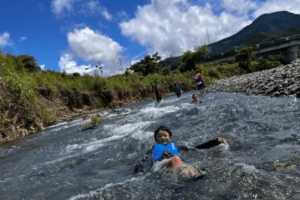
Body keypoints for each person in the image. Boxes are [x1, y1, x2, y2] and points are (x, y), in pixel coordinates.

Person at [134, 126, 227, 174]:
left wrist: (216, 141)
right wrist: (140, 172)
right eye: (159, 136)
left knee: (196, 170)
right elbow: (142, 161)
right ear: (156, 140)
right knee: (176, 159)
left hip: (176, 164)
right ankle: (177, 184)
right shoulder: (152, 149)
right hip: (160, 164)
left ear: (170, 138)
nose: (163, 137)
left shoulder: (177, 147)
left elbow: (197, 148)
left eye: (165, 135)